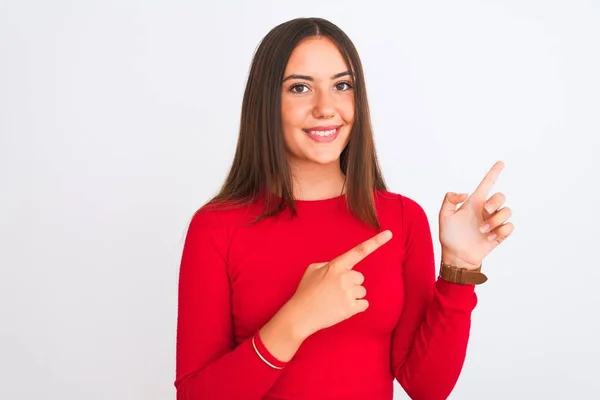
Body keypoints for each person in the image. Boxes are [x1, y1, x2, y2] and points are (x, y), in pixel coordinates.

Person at [174, 17, 514, 400]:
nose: (325, 108)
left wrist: (460, 267)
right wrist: (299, 317)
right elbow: (195, 395)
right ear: (266, 102)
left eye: (342, 85)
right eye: (300, 88)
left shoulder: (400, 219)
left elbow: (427, 388)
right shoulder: (217, 227)